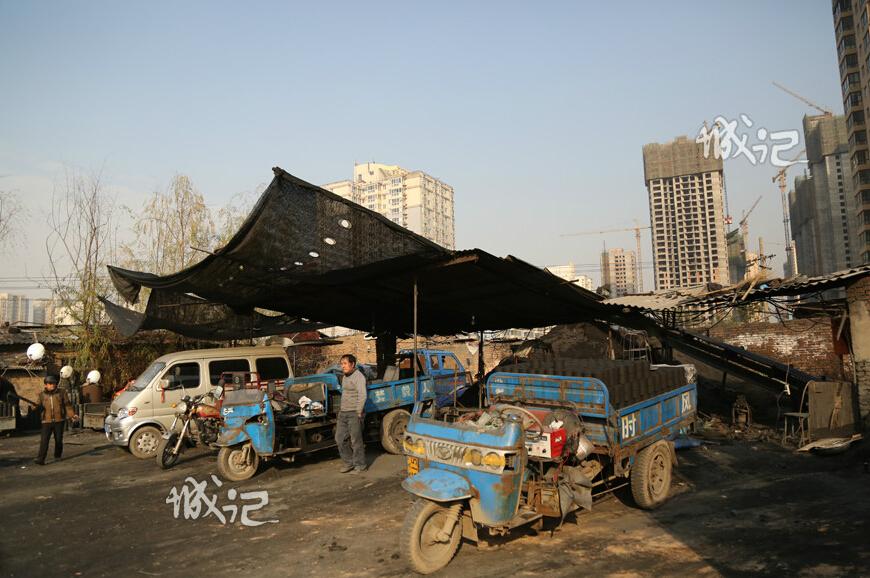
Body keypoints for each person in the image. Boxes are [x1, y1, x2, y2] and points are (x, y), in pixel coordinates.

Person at [32, 375, 78, 465]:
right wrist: (34, 406)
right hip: (46, 421)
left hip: (59, 420)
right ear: (45, 385)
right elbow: (35, 406)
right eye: (50, 383)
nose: (53, 385)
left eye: (54, 383)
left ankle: (57, 456)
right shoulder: (42, 395)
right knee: (44, 441)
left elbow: (67, 405)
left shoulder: (61, 393)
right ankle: (41, 459)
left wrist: (72, 415)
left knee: (58, 440)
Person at [335, 354, 367, 473]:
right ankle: (349, 463)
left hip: (354, 413)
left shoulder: (359, 377)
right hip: (343, 413)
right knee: (339, 439)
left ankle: (360, 465)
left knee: (355, 441)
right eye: (341, 363)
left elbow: (362, 395)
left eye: (345, 363)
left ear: (352, 364)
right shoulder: (345, 377)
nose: (342, 366)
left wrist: (358, 412)